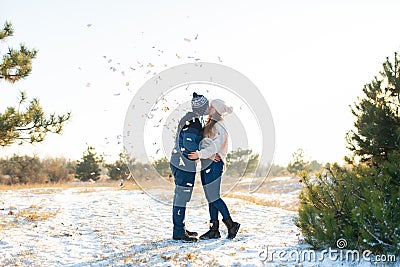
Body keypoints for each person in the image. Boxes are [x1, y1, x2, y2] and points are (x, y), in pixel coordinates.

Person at [188, 99, 240, 239]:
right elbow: (204, 144)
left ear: (216, 110)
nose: (208, 108)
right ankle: (214, 229)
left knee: (214, 196)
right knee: (210, 198)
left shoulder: (220, 126)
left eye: (211, 107)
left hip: (215, 164)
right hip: (207, 162)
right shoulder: (209, 124)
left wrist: (201, 154)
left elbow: (216, 146)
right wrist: (205, 155)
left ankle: (231, 224)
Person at [170, 92, 209, 242]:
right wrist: (199, 153)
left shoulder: (190, 118)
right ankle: (178, 232)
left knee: (182, 195)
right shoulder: (193, 121)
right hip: (183, 162)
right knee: (182, 195)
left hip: (179, 161)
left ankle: (181, 227)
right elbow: (188, 142)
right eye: (206, 106)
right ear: (202, 108)